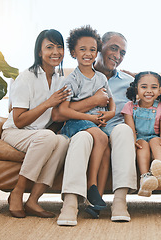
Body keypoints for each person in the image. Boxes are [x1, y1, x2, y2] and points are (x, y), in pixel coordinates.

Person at [53, 31, 136, 224]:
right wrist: (93, 103)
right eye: (114, 48)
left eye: (122, 52)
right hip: (86, 127)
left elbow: (150, 94)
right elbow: (59, 113)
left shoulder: (128, 80)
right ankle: (71, 203)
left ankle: (119, 201)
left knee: (124, 131)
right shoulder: (71, 78)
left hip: (112, 129)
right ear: (102, 48)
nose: (118, 55)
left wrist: (110, 112)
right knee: (83, 138)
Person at [1, 29, 70, 218]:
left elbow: (56, 119)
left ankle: (33, 200)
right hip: (15, 131)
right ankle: (17, 191)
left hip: (41, 134)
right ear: (39, 52)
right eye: (49, 47)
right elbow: (19, 120)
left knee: (63, 141)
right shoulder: (26, 78)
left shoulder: (61, 80)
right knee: (47, 137)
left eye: (59, 47)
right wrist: (48, 103)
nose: (56, 52)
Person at [56, 25, 115, 225]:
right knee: (101, 137)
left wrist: (111, 112)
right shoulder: (71, 79)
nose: (88, 54)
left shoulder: (100, 77)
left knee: (105, 149)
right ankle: (91, 186)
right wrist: (91, 119)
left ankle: (94, 201)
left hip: (95, 122)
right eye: (82, 49)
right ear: (73, 52)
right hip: (75, 123)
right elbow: (63, 110)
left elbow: (110, 99)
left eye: (92, 49)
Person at [122, 71, 161, 197]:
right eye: (144, 87)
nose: (149, 91)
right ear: (136, 89)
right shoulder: (129, 106)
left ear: (160, 90)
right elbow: (131, 130)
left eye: (154, 87)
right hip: (139, 137)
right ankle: (145, 177)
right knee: (142, 145)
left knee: (157, 142)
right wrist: (133, 141)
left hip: (154, 137)